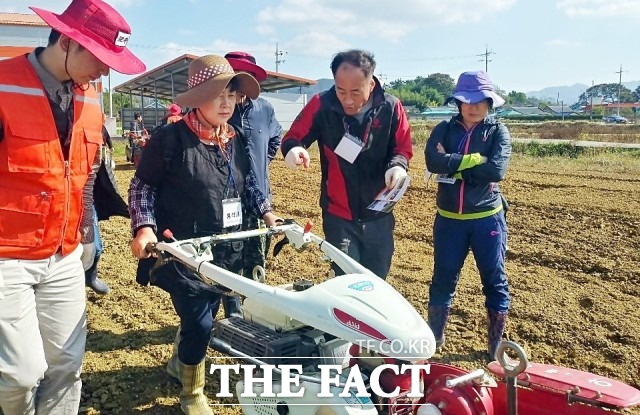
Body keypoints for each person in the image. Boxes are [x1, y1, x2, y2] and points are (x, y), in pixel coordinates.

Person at [0, 0, 145, 413]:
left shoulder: (92, 99)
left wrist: (84, 230)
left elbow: (84, 173)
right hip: (8, 256)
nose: (105, 69)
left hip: (64, 252)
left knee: (66, 364)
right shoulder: (3, 85)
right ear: (67, 42)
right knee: (20, 374)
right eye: (100, 57)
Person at [128, 55, 280, 414]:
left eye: (232, 94)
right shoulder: (170, 140)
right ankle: (192, 394)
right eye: (217, 95)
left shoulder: (236, 139)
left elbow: (251, 187)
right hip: (183, 250)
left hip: (226, 247)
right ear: (197, 98)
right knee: (200, 320)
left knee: (208, 310)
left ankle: (178, 362)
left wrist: (268, 213)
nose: (226, 103)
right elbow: (141, 188)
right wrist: (144, 227)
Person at [280, 49, 412, 280]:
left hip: (379, 214)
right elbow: (294, 136)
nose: (348, 100)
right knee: (346, 281)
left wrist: (398, 166)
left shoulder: (391, 107)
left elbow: (402, 147)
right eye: (341, 91)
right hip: (338, 215)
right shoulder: (322, 104)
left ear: (371, 84)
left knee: (377, 281)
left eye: (355, 92)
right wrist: (293, 149)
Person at [424, 70, 511, 360]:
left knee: (494, 280)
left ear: (489, 102)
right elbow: (432, 161)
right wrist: (474, 160)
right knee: (443, 279)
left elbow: (496, 170)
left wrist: (452, 164)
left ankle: (494, 346)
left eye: (479, 101)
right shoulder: (444, 129)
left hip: (487, 219)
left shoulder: (497, 131)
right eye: (465, 100)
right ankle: (435, 337)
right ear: (457, 102)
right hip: (449, 220)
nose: (472, 106)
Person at [225, 51, 283, 281]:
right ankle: (232, 308)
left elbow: (276, 138)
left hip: (259, 199)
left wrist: (261, 164)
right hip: (226, 202)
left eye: (246, 79)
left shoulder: (264, 109)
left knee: (256, 261)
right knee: (227, 263)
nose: (239, 86)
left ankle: (250, 309)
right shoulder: (216, 110)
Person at [85, 117, 130, 295]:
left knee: (95, 248)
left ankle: (91, 276)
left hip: (86, 199)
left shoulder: (96, 127)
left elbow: (107, 148)